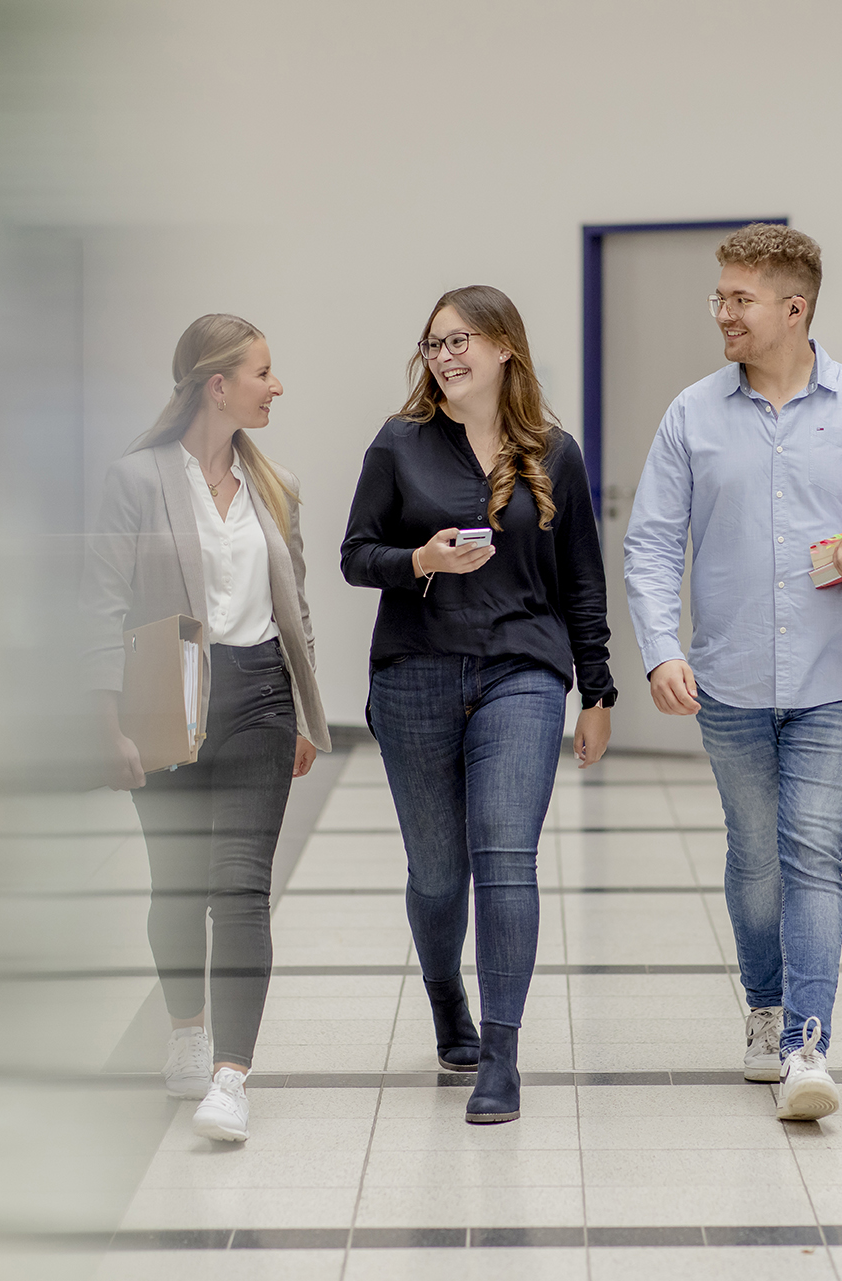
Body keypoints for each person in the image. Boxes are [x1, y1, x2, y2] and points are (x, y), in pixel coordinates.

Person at [623, 225, 842, 1122]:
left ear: (794, 308)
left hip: (841, 683)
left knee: (812, 855)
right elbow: (650, 542)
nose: (722, 312)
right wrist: (661, 648)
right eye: (720, 296)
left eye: (739, 299)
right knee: (755, 857)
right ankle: (764, 1006)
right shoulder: (692, 415)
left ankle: (807, 1042)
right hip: (728, 682)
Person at [341, 285, 614, 1124]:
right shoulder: (400, 443)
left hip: (521, 675)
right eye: (433, 345)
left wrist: (596, 688)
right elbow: (357, 555)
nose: (445, 356)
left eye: (460, 341)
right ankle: (445, 1000)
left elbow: (582, 582)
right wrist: (419, 558)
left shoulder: (555, 452)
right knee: (436, 872)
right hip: (415, 672)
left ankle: (502, 1053)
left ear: (504, 348)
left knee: (505, 859)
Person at [82, 314, 330, 1143]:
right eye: (264, 371)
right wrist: (107, 719)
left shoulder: (274, 483)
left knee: (240, 888)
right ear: (216, 385)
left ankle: (232, 1075)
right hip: (168, 700)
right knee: (179, 886)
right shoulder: (135, 479)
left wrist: (300, 706)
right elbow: (101, 601)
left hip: (258, 694)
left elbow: (294, 604)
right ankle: (185, 1030)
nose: (277, 385)